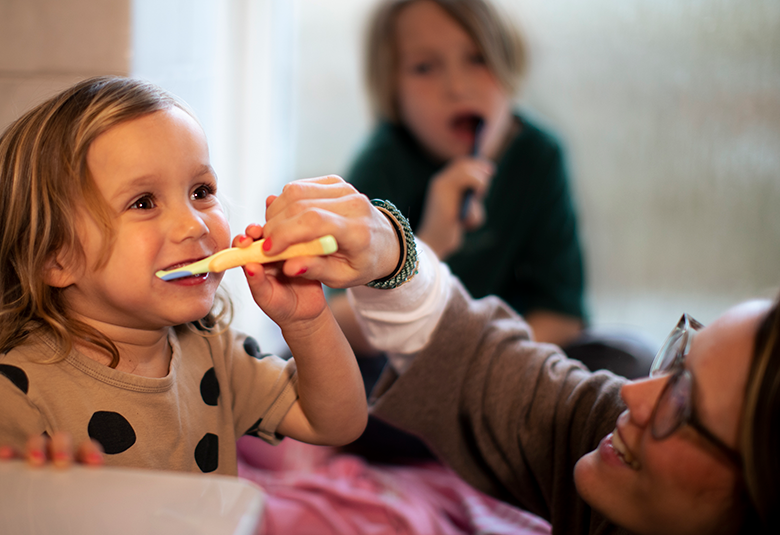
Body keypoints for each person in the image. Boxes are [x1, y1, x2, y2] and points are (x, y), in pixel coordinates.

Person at [259, 175, 778, 534]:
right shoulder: (610, 438)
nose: (632, 394)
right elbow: (483, 364)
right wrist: (392, 251)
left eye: (683, 407)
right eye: (678, 360)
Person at [0, 76, 370, 475]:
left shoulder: (213, 352)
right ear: (54, 258)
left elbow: (335, 424)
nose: (194, 225)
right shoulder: (16, 392)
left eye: (201, 192)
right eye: (143, 202)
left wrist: (306, 322)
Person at [334, 0, 585, 353]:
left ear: (509, 65)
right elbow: (337, 320)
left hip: (510, 359)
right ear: (392, 93)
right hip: (405, 364)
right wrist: (427, 246)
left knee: (622, 352)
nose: (457, 86)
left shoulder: (538, 158)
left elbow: (561, 315)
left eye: (478, 58)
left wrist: (482, 370)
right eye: (424, 67)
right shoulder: (384, 164)